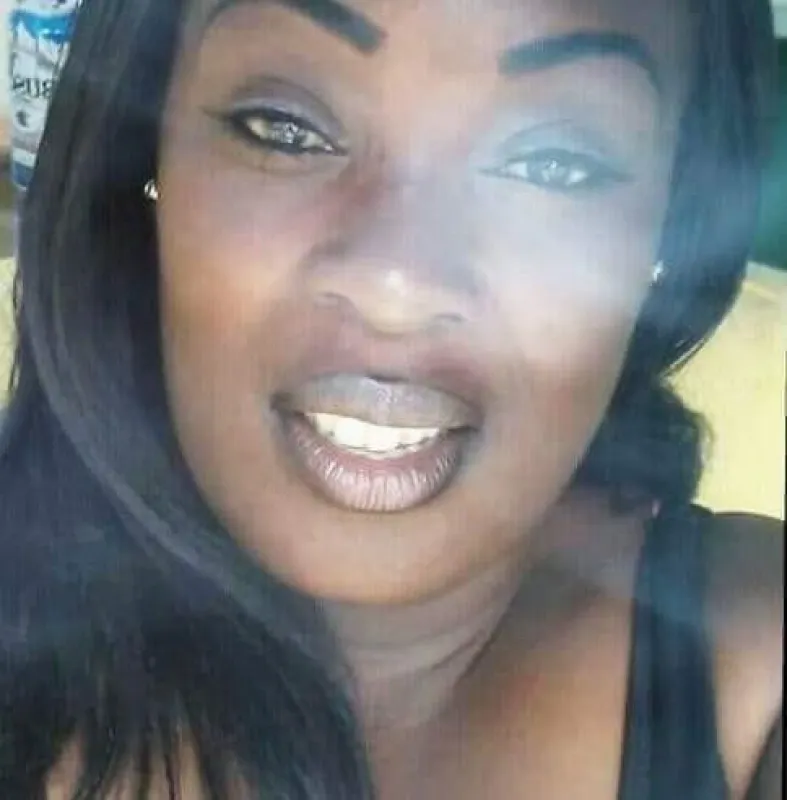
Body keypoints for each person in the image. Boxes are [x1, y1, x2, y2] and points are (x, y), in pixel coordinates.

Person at [0, 0, 783, 796]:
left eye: (551, 165)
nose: (395, 285)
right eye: (283, 129)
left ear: (669, 227)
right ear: (144, 159)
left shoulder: (755, 674)